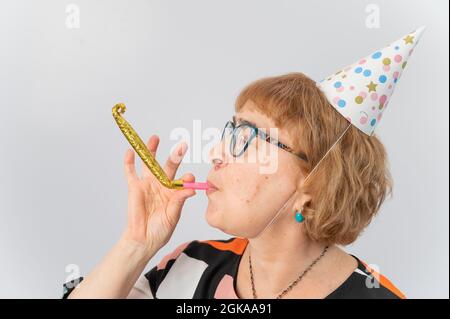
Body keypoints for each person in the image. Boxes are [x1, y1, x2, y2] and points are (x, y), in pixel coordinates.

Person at [63, 27, 425, 299]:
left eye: (247, 138)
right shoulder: (189, 267)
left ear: (314, 183)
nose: (215, 153)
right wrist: (136, 244)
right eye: (229, 131)